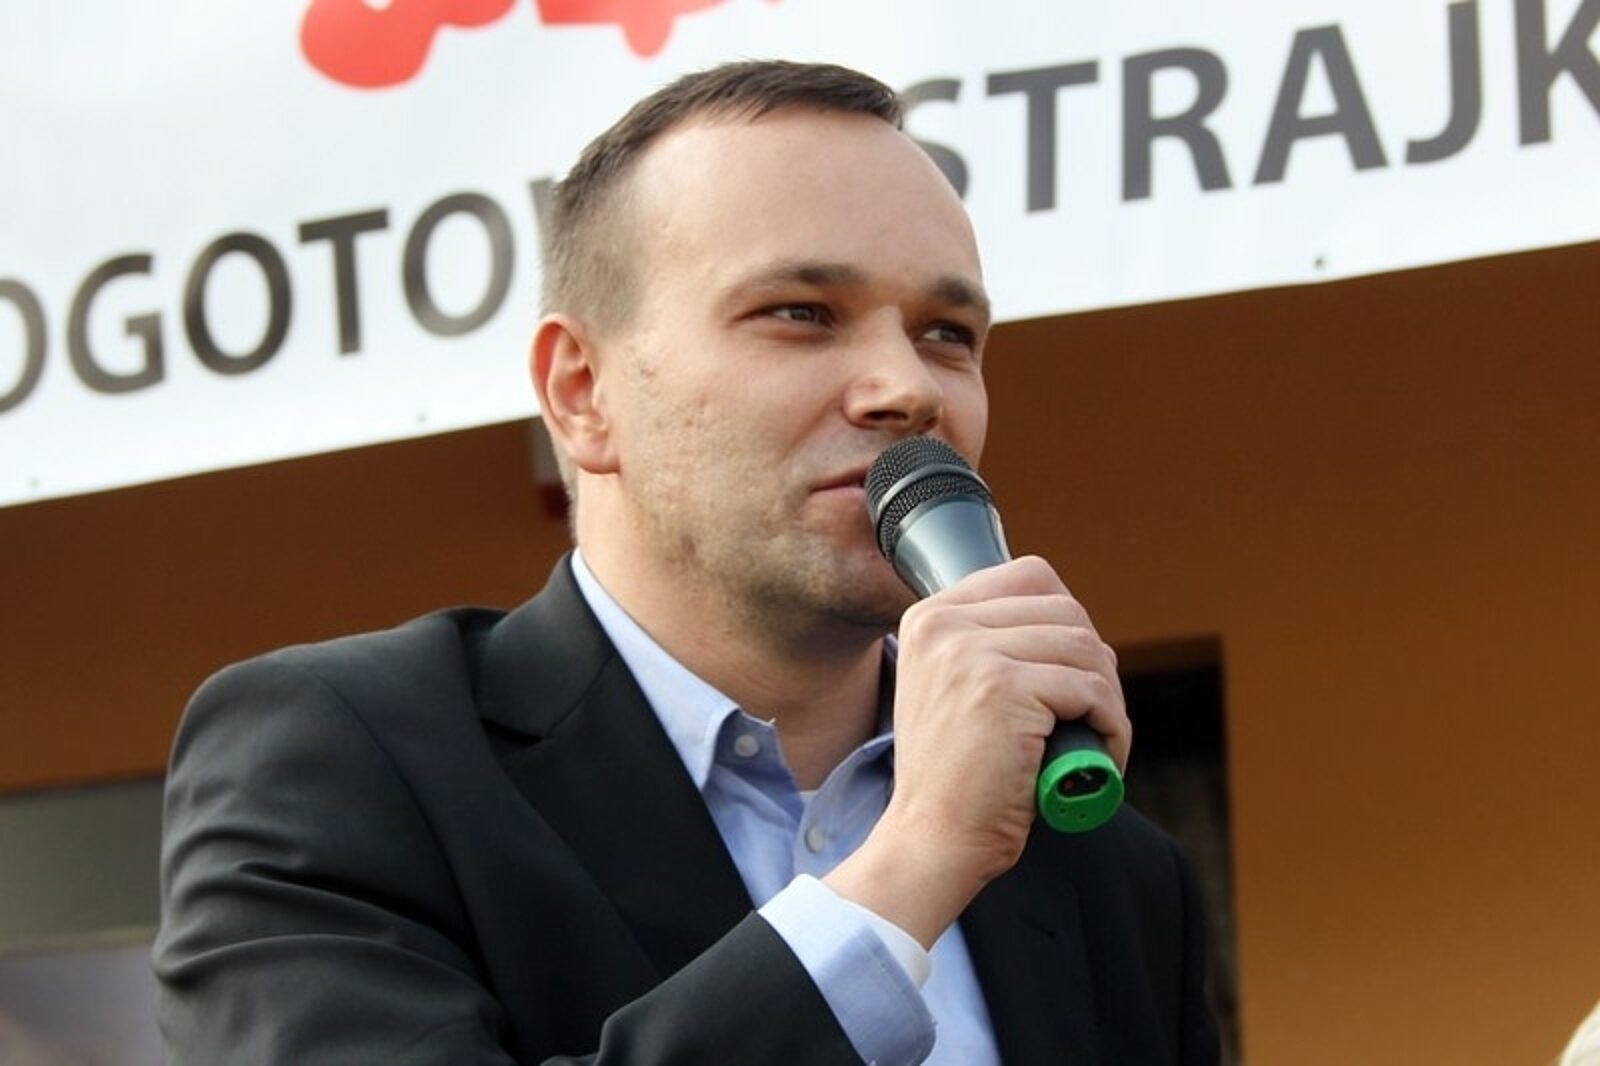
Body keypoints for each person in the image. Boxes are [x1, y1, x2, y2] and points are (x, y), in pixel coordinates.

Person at [154, 60, 1219, 1065]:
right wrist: (911, 867)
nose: (908, 387)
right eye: (800, 314)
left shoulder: (1112, 871)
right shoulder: (341, 761)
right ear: (582, 391)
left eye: (947, 333)